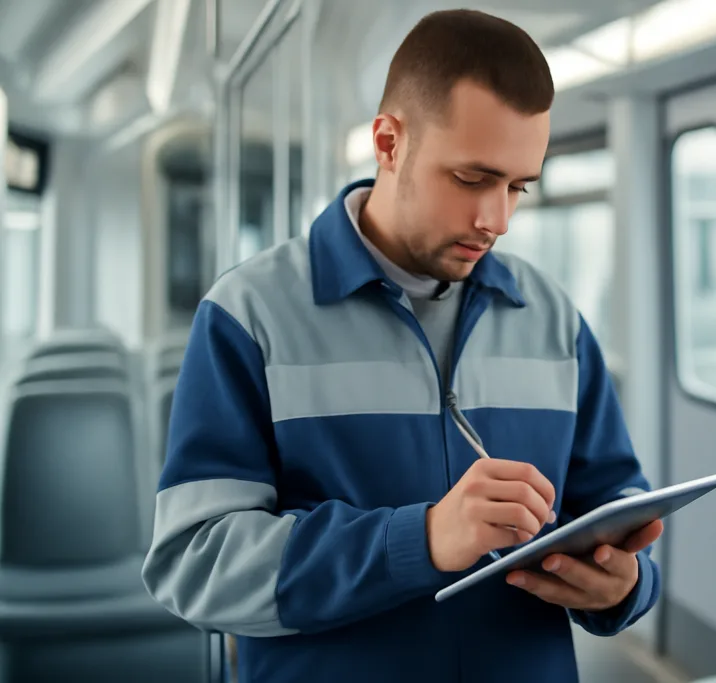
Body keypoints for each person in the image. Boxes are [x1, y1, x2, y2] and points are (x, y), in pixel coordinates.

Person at [141, 8, 663, 683]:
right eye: (473, 179)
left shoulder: (552, 316)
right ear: (389, 143)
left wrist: (625, 588)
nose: (496, 219)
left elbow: (618, 503)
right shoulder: (250, 314)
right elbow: (194, 562)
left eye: (517, 187)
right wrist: (417, 540)